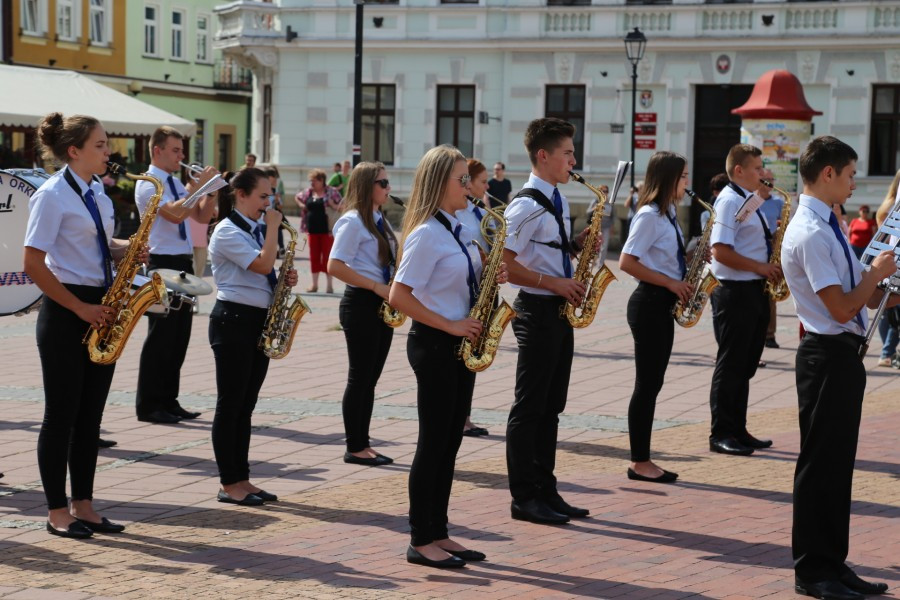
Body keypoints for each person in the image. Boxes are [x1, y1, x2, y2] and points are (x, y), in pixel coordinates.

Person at [781, 135, 894, 600]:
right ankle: (813, 570)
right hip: (826, 357)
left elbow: (863, 296)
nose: (853, 184)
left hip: (840, 358)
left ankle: (833, 561)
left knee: (837, 466)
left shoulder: (827, 224)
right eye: (849, 175)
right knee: (820, 466)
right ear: (827, 173)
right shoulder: (809, 231)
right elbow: (842, 308)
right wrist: (876, 274)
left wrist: (884, 282)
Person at [23, 112, 144, 538]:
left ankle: (85, 506)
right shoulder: (52, 195)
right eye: (100, 145)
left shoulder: (98, 193)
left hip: (100, 306)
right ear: (74, 151)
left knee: (90, 416)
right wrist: (78, 307)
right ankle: (58, 512)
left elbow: (94, 243)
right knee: (61, 415)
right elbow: (33, 262)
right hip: (66, 311)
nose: (108, 151)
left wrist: (125, 249)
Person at [388, 145, 507, 569]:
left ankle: (439, 531)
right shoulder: (425, 232)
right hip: (435, 344)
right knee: (433, 443)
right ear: (440, 184)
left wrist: (491, 274)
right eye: (462, 179)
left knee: (450, 444)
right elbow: (399, 296)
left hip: (458, 345)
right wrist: (451, 324)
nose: (470, 186)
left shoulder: (456, 226)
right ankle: (421, 539)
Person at [501, 117, 595, 525]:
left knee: (551, 407)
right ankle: (524, 496)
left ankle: (546, 488)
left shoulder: (555, 197)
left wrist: (576, 245)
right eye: (567, 153)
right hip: (536, 310)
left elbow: (544, 251)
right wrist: (554, 283)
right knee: (530, 408)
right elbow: (503, 264)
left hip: (555, 310)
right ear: (543, 155)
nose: (573, 161)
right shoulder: (524, 204)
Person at [207, 167, 298, 506]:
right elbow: (261, 266)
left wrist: (285, 275)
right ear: (240, 195)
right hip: (232, 321)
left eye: (270, 195)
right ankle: (228, 482)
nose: (268, 203)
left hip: (257, 319)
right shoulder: (227, 231)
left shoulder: (259, 229)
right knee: (230, 404)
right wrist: (273, 231)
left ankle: (242, 478)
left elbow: (268, 268)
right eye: (262, 196)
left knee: (246, 405)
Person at [134, 128, 219, 425]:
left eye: (182, 151)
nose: (182, 156)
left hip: (181, 260)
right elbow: (173, 214)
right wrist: (199, 186)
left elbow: (201, 216)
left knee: (179, 335)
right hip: (161, 261)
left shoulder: (174, 183)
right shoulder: (150, 183)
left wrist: (211, 191)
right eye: (175, 150)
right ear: (157, 150)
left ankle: (169, 400)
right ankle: (149, 405)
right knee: (161, 335)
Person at [619, 151, 694, 484]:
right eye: (683, 176)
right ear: (668, 179)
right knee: (646, 385)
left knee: (654, 383)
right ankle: (639, 462)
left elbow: (661, 257)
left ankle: (643, 458)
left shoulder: (669, 213)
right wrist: (670, 282)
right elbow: (627, 262)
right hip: (648, 304)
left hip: (661, 303)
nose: (687, 182)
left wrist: (691, 255)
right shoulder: (648, 215)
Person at [707, 144, 779, 456]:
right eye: (757, 168)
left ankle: (738, 428)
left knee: (746, 364)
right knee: (731, 363)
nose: (763, 174)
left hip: (754, 290)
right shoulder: (727, 201)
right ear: (739, 171)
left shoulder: (747, 200)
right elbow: (720, 251)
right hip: (735, 292)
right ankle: (721, 432)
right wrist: (761, 266)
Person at [327, 162, 397, 466]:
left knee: (370, 379)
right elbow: (335, 265)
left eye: (387, 182)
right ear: (367, 185)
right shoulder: (353, 221)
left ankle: (363, 442)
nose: (388, 188)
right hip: (361, 303)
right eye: (382, 183)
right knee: (360, 378)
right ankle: (355, 446)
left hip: (380, 302)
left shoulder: (379, 218)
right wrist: (375, 286)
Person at [457, 158, 491, 437]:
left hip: (479, 291)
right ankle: (458, 417)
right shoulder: (458, 213)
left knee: (473, 356)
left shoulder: (479, 211)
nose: (487, 186)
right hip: (462, 292)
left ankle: (465, 416)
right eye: (483, 182)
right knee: (460, 358)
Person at [296, 169, 341, 293]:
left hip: (327, 231)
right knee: (314, 257)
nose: (311, 183)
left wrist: (333, 205)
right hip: (312, 230)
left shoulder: (331, 192)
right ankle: (314, 285)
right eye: (311, 181)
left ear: (321, 181)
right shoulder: (308, 192)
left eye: (314, 181)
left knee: (327, 257)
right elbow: (297, 197)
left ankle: (329, 285)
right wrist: (301, 205)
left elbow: (343, 206)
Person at [757, 168, 786, 350]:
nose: (769, 183)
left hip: (772, 249)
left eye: (771, 179)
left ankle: (770, 334)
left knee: (771, 295)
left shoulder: (778, 202)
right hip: (755, 248)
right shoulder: (752, 201)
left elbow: (782, 223)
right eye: (765, 179)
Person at [875, 170, 900, 367]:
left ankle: (886, 350)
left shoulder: (886, 205)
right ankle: (887, 352)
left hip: (886, 260)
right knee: (892, 310)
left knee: (886, 311)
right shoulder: (892, 206)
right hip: (894, 261)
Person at [586, 183, 612, 266]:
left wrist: (612, 226)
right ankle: (591, 263)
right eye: (603, 191)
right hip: (596, 227)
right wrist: (595, 207)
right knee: (594, 245)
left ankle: (600, 264)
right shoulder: (595, 201)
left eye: (606, 191)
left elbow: (613, 216)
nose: (605, 193)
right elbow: (588, 211)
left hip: (606, 227)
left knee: (604, 247)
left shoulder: (610, 202)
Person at [263, 167, 285, 256]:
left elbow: (280, 206)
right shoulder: (262, 190)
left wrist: (277, 200)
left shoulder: (275, 190)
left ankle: (279, 249)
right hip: (262, 221)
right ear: (268, 178)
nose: (276, 179)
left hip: (271, 219)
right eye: (274, 177)